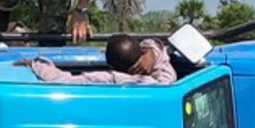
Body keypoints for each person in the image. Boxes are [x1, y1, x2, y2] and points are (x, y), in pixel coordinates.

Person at [23, 34, 174, 85]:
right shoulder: (164, 81)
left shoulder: (108, 79)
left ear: (111, 66)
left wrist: (36, 63)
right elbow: (162, 51)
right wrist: (151, 53)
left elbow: (63, 81)